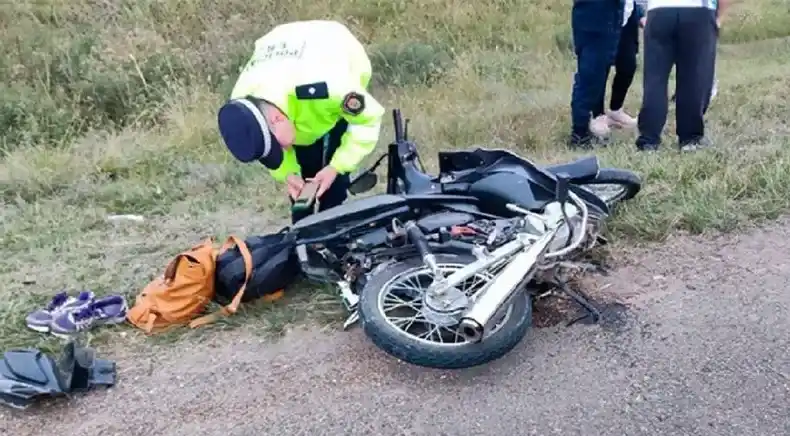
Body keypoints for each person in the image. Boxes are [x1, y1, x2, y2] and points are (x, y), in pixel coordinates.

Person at [216, 20, 385, 223]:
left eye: (278, 146)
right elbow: (268, 147)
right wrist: (288, 174)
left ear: (277, 118)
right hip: (283, 54)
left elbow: (368, 118)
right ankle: (304, 225)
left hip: (332, 49)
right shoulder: (243, 106)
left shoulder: (331, 88)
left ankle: (333, 219)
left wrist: (336, 167)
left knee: (332, 178)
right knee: (304, 172)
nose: (283, 149)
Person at [635, 0, 729, 152]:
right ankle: (690, 138)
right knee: (694, 78)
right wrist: (719, 18)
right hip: (698, 10)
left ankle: (649, 140)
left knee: (655, 78)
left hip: (659, 10)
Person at [569, 0, 625, 149]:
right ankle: (579, 134)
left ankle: (582, 129)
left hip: (589, 17)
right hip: (599, 20)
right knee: (590, 78)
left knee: (591, 76)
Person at [590, 0, 645, 137]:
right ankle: (598, 114)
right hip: (604, 15)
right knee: (601, 66)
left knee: (628, 66)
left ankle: (615, 110)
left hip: (628, 14)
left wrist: (640, 13)